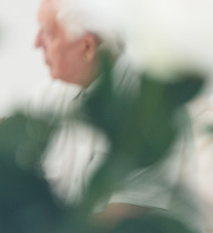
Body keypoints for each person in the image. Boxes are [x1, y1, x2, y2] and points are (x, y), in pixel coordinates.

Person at [33, 0, 189, 228]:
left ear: (87, 47)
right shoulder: (58, 90)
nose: (37, 43)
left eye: (48, 33)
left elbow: (126, 218)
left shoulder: (149, 105)